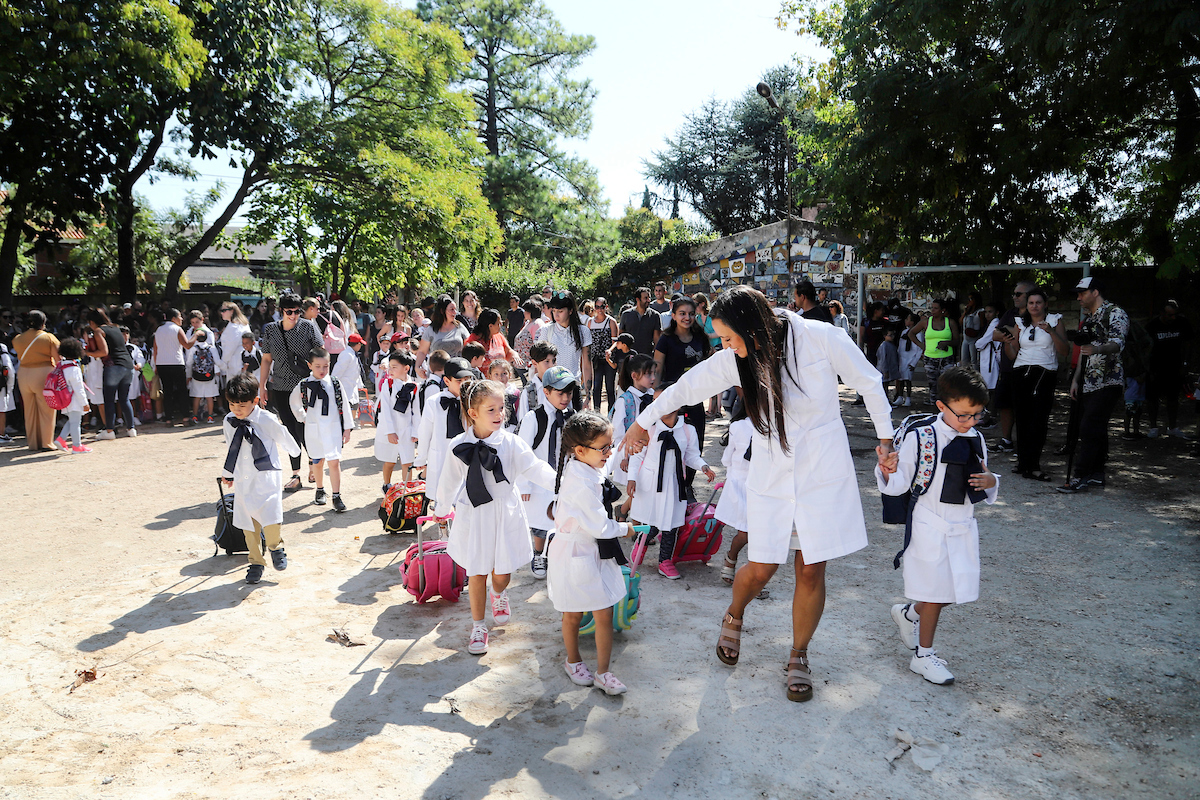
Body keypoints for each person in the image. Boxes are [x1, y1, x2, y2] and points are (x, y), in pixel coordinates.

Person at [621, 285, 894, 703]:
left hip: (822, 467)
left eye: (729, 338)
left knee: (810, 568)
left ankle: (798, 654)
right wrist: (644, 420)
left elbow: (869, 381)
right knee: (763, 566)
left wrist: (886, 439)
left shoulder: (821, 338)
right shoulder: (739, 357)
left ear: (751, 327)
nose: (727, 347)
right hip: (773, 469)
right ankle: (735, 612)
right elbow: (690, 385)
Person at [878, 367, 999, 685]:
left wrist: (991, 481)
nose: (969, 422)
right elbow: (901, 481)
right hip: (930, 526)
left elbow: (984, 477)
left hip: (962, 526)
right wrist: (889, 470)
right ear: (942, 406)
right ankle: (923, 655)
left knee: (954, 589)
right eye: (963, 415)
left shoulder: (975, 437)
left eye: (976, 415)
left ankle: (908, 613)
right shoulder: (922, 437)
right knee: (934, 593)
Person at [433, 380, 558, 656]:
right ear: (473, 412)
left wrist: (561, 483)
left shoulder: (512, 443)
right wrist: (441, 508)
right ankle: (478, 625)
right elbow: (449, 480)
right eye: (491, 409)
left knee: (501, 574)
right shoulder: (459, 444)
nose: (499, 414)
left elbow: (535, 468)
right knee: (476, 572)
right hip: (474, 515)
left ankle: (499, 594)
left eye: (502, 408)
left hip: (505, 512)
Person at [548, 411, 638, 696]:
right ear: (580, 450)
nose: (608, 453)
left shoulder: (585, 465)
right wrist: (625, 529)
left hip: (591, 550)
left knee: (604, 610)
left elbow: (597, 524)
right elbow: (600, 525)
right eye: (604, 448)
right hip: (577, 549)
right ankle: (573, 661)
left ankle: (603, 671)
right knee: (572, 612)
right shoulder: (581, 482)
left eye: (610, 445)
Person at [221, 373, 302, 584]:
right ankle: (256, 562)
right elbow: (232, 448)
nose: (236, 410)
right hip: (243, 479)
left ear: (255, 401)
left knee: (271, 517)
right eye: (232, 405)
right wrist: (228, 473)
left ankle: (276, 547)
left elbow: (283, 435)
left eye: (241, 405)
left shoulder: (266, 419)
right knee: (249, 525)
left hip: (266, 476)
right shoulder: (229, 421)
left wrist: (295, 452)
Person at [627, 388, 715, 579]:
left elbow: (691, 455)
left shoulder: (687, 429)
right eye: (656, 402)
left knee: (671, 523)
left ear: (679, 403)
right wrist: (631, 478)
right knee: (652, 521)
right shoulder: (648, 427)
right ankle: (641, 545)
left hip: (674, 484)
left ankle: (664, 560)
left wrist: (703, 466)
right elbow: (637, 455)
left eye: (665, 401)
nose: (660, 406)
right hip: (651, 482)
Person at [1059, 277, 1129, 493]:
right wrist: (1076, 379)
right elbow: (1083, 352)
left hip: (1109, 380)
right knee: (1095, 427)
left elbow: (1118, 343)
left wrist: (1097, 350)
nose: (1078, 297)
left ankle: (1080, 475)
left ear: (1095, 292)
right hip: (1088, 382)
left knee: (1089, 427)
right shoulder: (1088, 318)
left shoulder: (1115, 313)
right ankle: (1097, 474)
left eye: (1082, 292)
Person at [517, 365, 577, 579]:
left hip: (565, 479)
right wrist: (524, 484)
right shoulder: (535, 418)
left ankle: (558, 557)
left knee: (563, 521)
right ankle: (539, 554)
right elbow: (523, 452)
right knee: (541, 524)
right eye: (560, 393)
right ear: (546, 392)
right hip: (539, 481)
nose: (565, 398)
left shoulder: (573, 417)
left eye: (569, 393)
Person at [259, 293, 323, 493]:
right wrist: (261, 386)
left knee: (305, 428)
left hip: (305, 387)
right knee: (289, 431)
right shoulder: (271, 330)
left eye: (297, 312)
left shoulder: (308, 326)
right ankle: (296, 474)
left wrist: (320, 379)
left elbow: (320, 352)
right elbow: (267, 359)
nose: (294, 316)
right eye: (289, 312)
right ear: (281, 311)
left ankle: (314, 463)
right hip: (280, 387)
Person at [1002, 287, 1067, 481]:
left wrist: (1051, 331)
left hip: (1044, 372)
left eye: (1038, 302)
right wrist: (1007, 342)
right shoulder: (1020, 323)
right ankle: (1023, 463)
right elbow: (1013, 354)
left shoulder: (1055, 321)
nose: (1034, 306)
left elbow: (1065, 350)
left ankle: (1035, 465)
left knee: (1038, 419)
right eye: (1031, 303)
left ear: (1045, 304)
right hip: (1022, 371)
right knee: (1022, 418)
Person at [654, 296, 712, 490]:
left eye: (691, 314)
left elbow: (708, 366)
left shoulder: (700, 338)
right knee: (675, 444)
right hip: (672, 400)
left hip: (695, 399)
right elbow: (658, 369)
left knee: (696, 444)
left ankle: (687, 487)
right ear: (674, 316)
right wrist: (656, 397)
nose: (687, 317)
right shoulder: (666, 339)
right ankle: (674, 486)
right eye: (682, 314)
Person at [291, 345, 355, 511]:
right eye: (318, 366)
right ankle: (319, 489)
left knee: (334, 462)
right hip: (314, 430)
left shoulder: (334, 383)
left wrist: (347, 428)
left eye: (325, 366)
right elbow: (294, 403)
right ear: (309, 365)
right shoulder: (304, 385)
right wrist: (303, 418)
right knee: (317, 462)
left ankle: (336, 495)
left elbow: (345, 407)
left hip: (333, 429)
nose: (322, 370)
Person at [415, 356, 475, 500]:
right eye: (459, 381)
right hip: (442, 455)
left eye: (467, 380)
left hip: (468, 455)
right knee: (442, 496)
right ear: (447, 381)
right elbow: (425, 433)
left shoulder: (475, 401)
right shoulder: (434, 402)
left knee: (466, 496)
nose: (464, 384)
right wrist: (421, 459)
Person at [990, 280, 1035, 452]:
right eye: (1014, 294)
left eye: (1018, 294)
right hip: (1008, 367)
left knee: (1025, 408)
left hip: (1029, 368)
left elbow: (1025, 334)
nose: (1014, 297)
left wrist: (1009, 331)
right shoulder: (1010, 313)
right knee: (1005, 404)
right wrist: (1013, 331)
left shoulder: (1035, 314)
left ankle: (1025, 443)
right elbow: (995, 334)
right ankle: (1006, 440)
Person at [1145, 300, 1194, 439]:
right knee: (1153, 398)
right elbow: (1144, 347)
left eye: (1174, 315)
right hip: (1156, 368)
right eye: (1169, 315)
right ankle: (1153, 427)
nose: (1173, 318)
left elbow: (1189, 343)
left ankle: (1172, 427)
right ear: (1162, 313)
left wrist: (1185, 363)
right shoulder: (1152, 326)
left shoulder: (1182, 323)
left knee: (1173, 398)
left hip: (1175, 367)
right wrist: (1148, 368)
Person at [87, 309, 138, 440]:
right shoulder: (115, 327)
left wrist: (87, 353)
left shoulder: (99, 331)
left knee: (109, 400)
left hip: (113, 366)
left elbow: (103, 352)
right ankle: (131, 428)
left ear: (92, 322)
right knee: (124, 399)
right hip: (128, 365)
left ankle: (109, 430)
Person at [715, 408, 753, 586]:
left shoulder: (775, 427)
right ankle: (732, 556)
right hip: (741, 485)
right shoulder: (739, 426)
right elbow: (727, 458)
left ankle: (755, 578)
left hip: (766, 485)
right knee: (746, 532)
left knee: (760, 533)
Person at [537, 291, 592, 409]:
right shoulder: (546, 330)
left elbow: (587, 364)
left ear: (571, 310)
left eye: (560, 311)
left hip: (573, 388)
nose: (556, 315)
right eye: (554, 311)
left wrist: (588, 395)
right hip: (552, 390)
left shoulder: (583, 331)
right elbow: (540, 362)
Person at [375, 350, 419, 491]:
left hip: (407, 428)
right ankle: (386, 485)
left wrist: (415, 431)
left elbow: (416, 411)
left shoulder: (414, 386)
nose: (391, 370)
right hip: (392, 427)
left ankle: (407, 488)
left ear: (406, 368)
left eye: (395, 367)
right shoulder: (387, 385)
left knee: (407, 460)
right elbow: (385, 410)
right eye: (390, 366)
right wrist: (390, 431)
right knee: (390, 460)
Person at [907, 299, 961, 405]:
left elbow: (957, 341)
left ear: (943, 310)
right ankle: (934, 407)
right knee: (933, 385)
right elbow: (911, 333)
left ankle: (947, 407)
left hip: (947, 357)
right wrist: (922, 346)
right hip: (930, 358)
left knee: (947, 383)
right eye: (932, 308)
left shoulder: (950, 322)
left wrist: (946, 343)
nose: (933, 310)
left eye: (936, 308)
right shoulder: (926, 322)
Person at [152, 308, 195, 425]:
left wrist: (155, 365)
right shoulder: (177, 329)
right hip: (176, 363)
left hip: (162, 364)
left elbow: (155, 350)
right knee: (182, 391)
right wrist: (196, 335)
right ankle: (186, 417)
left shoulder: (159, 330)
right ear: (174, 318)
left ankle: (168, 419)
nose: (182, 319)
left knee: (167, 391)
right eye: (180, 316)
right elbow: (187, 345)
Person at [52, 337, 91, 453]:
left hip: (64, 398)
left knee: (73, 420)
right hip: (74, 400)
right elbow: (79, 388)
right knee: (76, 422)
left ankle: (61, 439)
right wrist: (85, 403)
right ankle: (77, 446)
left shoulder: (61, 365)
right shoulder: (74, 368)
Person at [416, 294, 470, 365]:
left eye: (455, 309)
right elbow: (422, 352)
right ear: (442, 311)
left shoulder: (459, 326)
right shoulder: (432, 329)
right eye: (451, 309)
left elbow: (469, 346)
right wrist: (417, 367)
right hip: (437, 371)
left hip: (457, 370)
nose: (455, 312)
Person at [586, 297, 619, 412]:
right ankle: (596, 411)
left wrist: (610, 350)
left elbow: (615, 341)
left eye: (602, 307)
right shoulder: (590, 322)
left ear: (606, 307)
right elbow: (588, 342)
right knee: (597, 387)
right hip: (596, 360)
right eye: (597, 307)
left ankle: (611, 412)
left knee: (610, 387)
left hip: (609, 359)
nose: (599, 309)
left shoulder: (611, 321)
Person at [695, 293, 723, 419]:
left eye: (696, 304)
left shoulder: (713, 316)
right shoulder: (697, 319)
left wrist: (707, 336)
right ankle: (711, 408)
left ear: (702, 304)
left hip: (717, 348)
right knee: (710, 379)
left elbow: (719, 332)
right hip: (706, 350)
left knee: (719, 379)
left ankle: (718, 409)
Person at [464, 308, 519, 373]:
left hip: (500, 380)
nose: (501, 324)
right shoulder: (472, 341)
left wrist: (515, 355)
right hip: (482, 381)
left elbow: (509, 351)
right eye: (498, 323)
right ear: (490, 326)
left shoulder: (499, 336)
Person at [185, 330, 222, 424]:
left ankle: (195, 417)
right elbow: (217, 361)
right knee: (210, 397)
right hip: (209, 375)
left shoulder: (193, 348)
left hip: (197, 376)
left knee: (197, 397)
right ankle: (210, 417)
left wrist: (188, 375)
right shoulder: (212, 348)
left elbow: (189, 363)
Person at [619, 287, 661, 356]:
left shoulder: (655, 316)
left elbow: (656, 339)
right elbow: (621, 336)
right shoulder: (626, 315)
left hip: (647, 356)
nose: (649, 300)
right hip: (629, 356)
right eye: (645, 298)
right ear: (638, 299)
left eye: (649, 297)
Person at [513, 299, 546, 374]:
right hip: (523, 365)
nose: (524, 313)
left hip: (529, 366)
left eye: (526, 311)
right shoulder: (528, 322)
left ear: (531, 312)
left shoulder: (537, 323)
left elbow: (538, 344)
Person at [960, 292, 984, 368]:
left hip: (974, 338)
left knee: (974, 361)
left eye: (971, 299)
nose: (969, 301)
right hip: (965, 338)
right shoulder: (968, 312)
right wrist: (965, 312)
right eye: (969, 299)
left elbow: (982, 325)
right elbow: (960, 322)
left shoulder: (980, 311)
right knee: (964, 360)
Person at [876, 329, 901, 403]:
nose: (892, 337)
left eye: (893, 335)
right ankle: (883, 400)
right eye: (890, 335)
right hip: (884, 369)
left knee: (886, 385)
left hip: (890, 368)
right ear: (885, 336)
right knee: (884, 386)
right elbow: (883, 359)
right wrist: (885, 370)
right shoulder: (884, 345)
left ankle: (885, 399)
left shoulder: (891, 345)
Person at [0, 338, 15, 443]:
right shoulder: (2, 349)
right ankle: (0, 435)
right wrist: (10, 387)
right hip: (1, 386)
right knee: (1, 410)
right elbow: (9, 370)